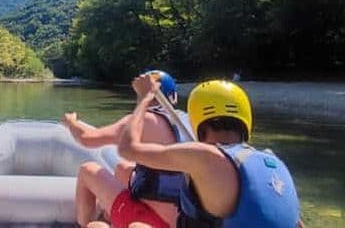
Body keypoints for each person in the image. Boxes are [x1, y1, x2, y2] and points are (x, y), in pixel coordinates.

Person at [118, 77, 301, 227]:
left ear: (197, 121)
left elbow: (127, 149)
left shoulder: (204, 155)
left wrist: (144, 99)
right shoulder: (273, 161)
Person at [62, 70, 185, 228]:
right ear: (173, 97)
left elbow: (87, 138)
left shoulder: (145, 120)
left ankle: (84, 224)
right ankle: (108, 217)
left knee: (87, 170)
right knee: (123, 168)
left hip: (153, 221)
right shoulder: (186, 120)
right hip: (184, 219)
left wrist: (72, 122)